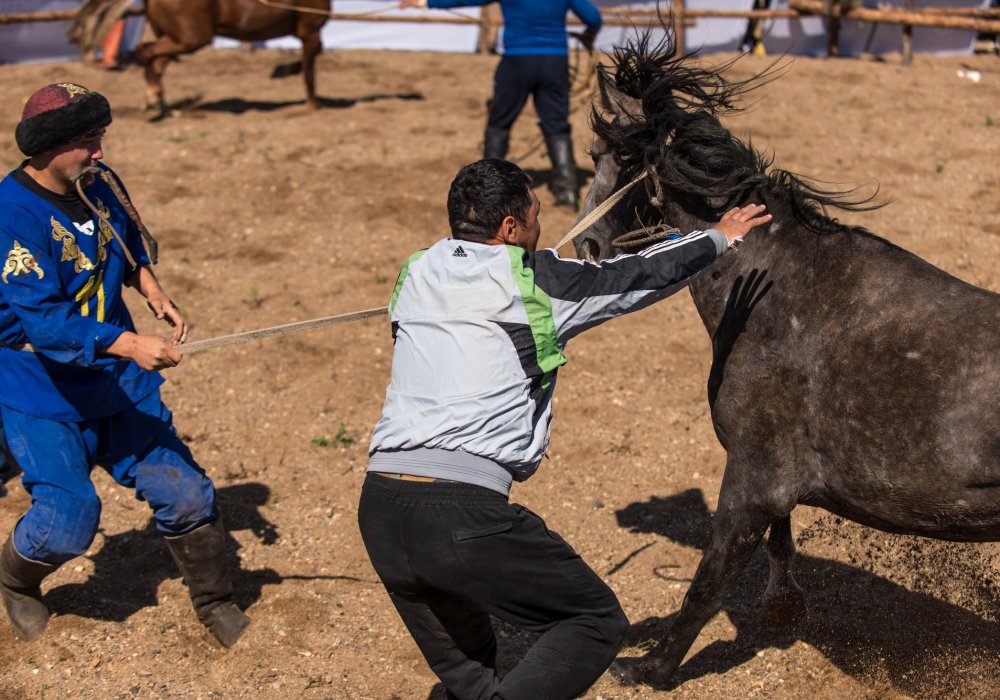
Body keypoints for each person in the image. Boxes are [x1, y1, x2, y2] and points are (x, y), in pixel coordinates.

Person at [358, 158, 771, 699]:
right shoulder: (538, 282)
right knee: (594, 622)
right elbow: (637, 276)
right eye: (533, 213)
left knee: (474, 680)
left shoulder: (415, 270)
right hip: (462, 517)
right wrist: (717, 238)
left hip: (380, 512)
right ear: (510, 229)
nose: (539, 222)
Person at [0, 83, 249, 648]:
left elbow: (125, 241)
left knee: (186, 493)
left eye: (101, 138)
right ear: (49, 146)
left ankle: (216, 601)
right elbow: (44, 323)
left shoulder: (97, 185)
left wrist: (152, 290)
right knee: (67, 520)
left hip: (115, 378)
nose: (100, 153)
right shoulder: (10, 217)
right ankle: (15, 582)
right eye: (88, 142)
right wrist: (132, 343)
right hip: (41, 386)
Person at [399, 0, 602, 210]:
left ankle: (487, 187)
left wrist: (425, 3)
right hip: (554, 62)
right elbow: (594, 18)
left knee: (500, 122)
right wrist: (589, 35)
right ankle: (568, 192)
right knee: (557, 125)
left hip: (517, 61)